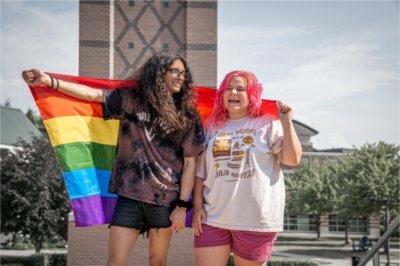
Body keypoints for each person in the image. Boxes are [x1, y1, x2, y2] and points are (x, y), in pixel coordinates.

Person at [22, 51, 205, 266]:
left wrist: (182, 207)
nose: (180, 77)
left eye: (183, 73)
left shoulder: (188, 115)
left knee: (157, 262)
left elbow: (191, 162)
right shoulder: (130, 99)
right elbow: (93, 95)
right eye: (174, 71)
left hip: (164, 200)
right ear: (157, 72)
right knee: (114, 262)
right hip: (129, 196)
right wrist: (50, 82)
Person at [191, 70, 302, 266]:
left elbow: (292, 159)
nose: (233, 92)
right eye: (228, 88)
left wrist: (286, 122)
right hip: (213, 218)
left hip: (255, 221)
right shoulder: (211, 126)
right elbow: (201, 173)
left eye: (240, 89)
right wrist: (198, 207)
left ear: (251, 95)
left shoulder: (267, 123)